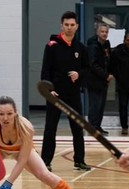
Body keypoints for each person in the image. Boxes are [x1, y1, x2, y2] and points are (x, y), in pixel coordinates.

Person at [0, 96, 91, 189]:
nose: (5, 118)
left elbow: (22, 160)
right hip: (0, 150)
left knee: (45, 175)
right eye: (1, 114)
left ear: (15, 113)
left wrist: (8, 183)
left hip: (21, 151)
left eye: (9, 113)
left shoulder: (26, 128)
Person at [40, 10, 91, 172]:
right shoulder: (51, 46)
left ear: (77, 26)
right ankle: (45, 161)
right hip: (55, 95)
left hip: (74, 94)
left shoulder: (81, 48)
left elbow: (87, 68)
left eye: (72, 25)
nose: (69, 28)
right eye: (66, 25)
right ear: (61, 26)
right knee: (50, 128)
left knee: (78, 127)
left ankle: (79, 160)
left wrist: (79, 74)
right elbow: (45, 70)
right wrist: (49, 90)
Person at [85, 22, 113, 135]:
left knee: (101, 106)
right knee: (95, 105)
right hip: (94, 80)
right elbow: (93, 64)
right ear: (97, 32)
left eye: (106, 32)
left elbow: (108, 60)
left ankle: (98, 126)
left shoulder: (106, 44)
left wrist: (109, 73)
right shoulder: (93, 46)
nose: (104, 34)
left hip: (103, 81)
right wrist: (106, 75)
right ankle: (92, 127)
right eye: (102, 31)